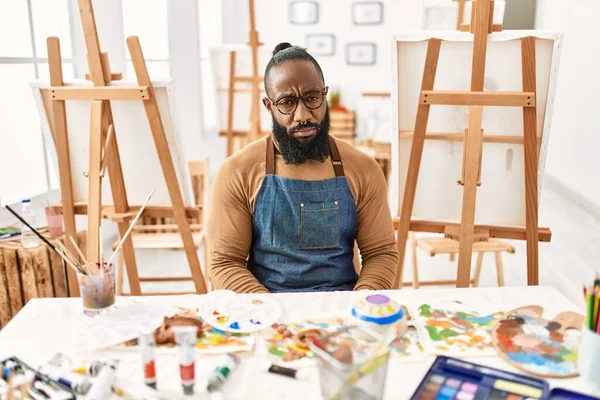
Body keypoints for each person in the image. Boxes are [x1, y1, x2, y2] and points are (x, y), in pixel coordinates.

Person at [206, 42, 398, 293]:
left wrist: (360, 303)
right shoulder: (238, 171)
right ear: (269, 106)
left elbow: (380, 253)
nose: (302, 115)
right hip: (266, 311)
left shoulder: (363, 168)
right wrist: (265, 310)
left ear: (324, 96)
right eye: (287, 102)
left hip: (343, 308)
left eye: (312, 98)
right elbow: (225, 262)